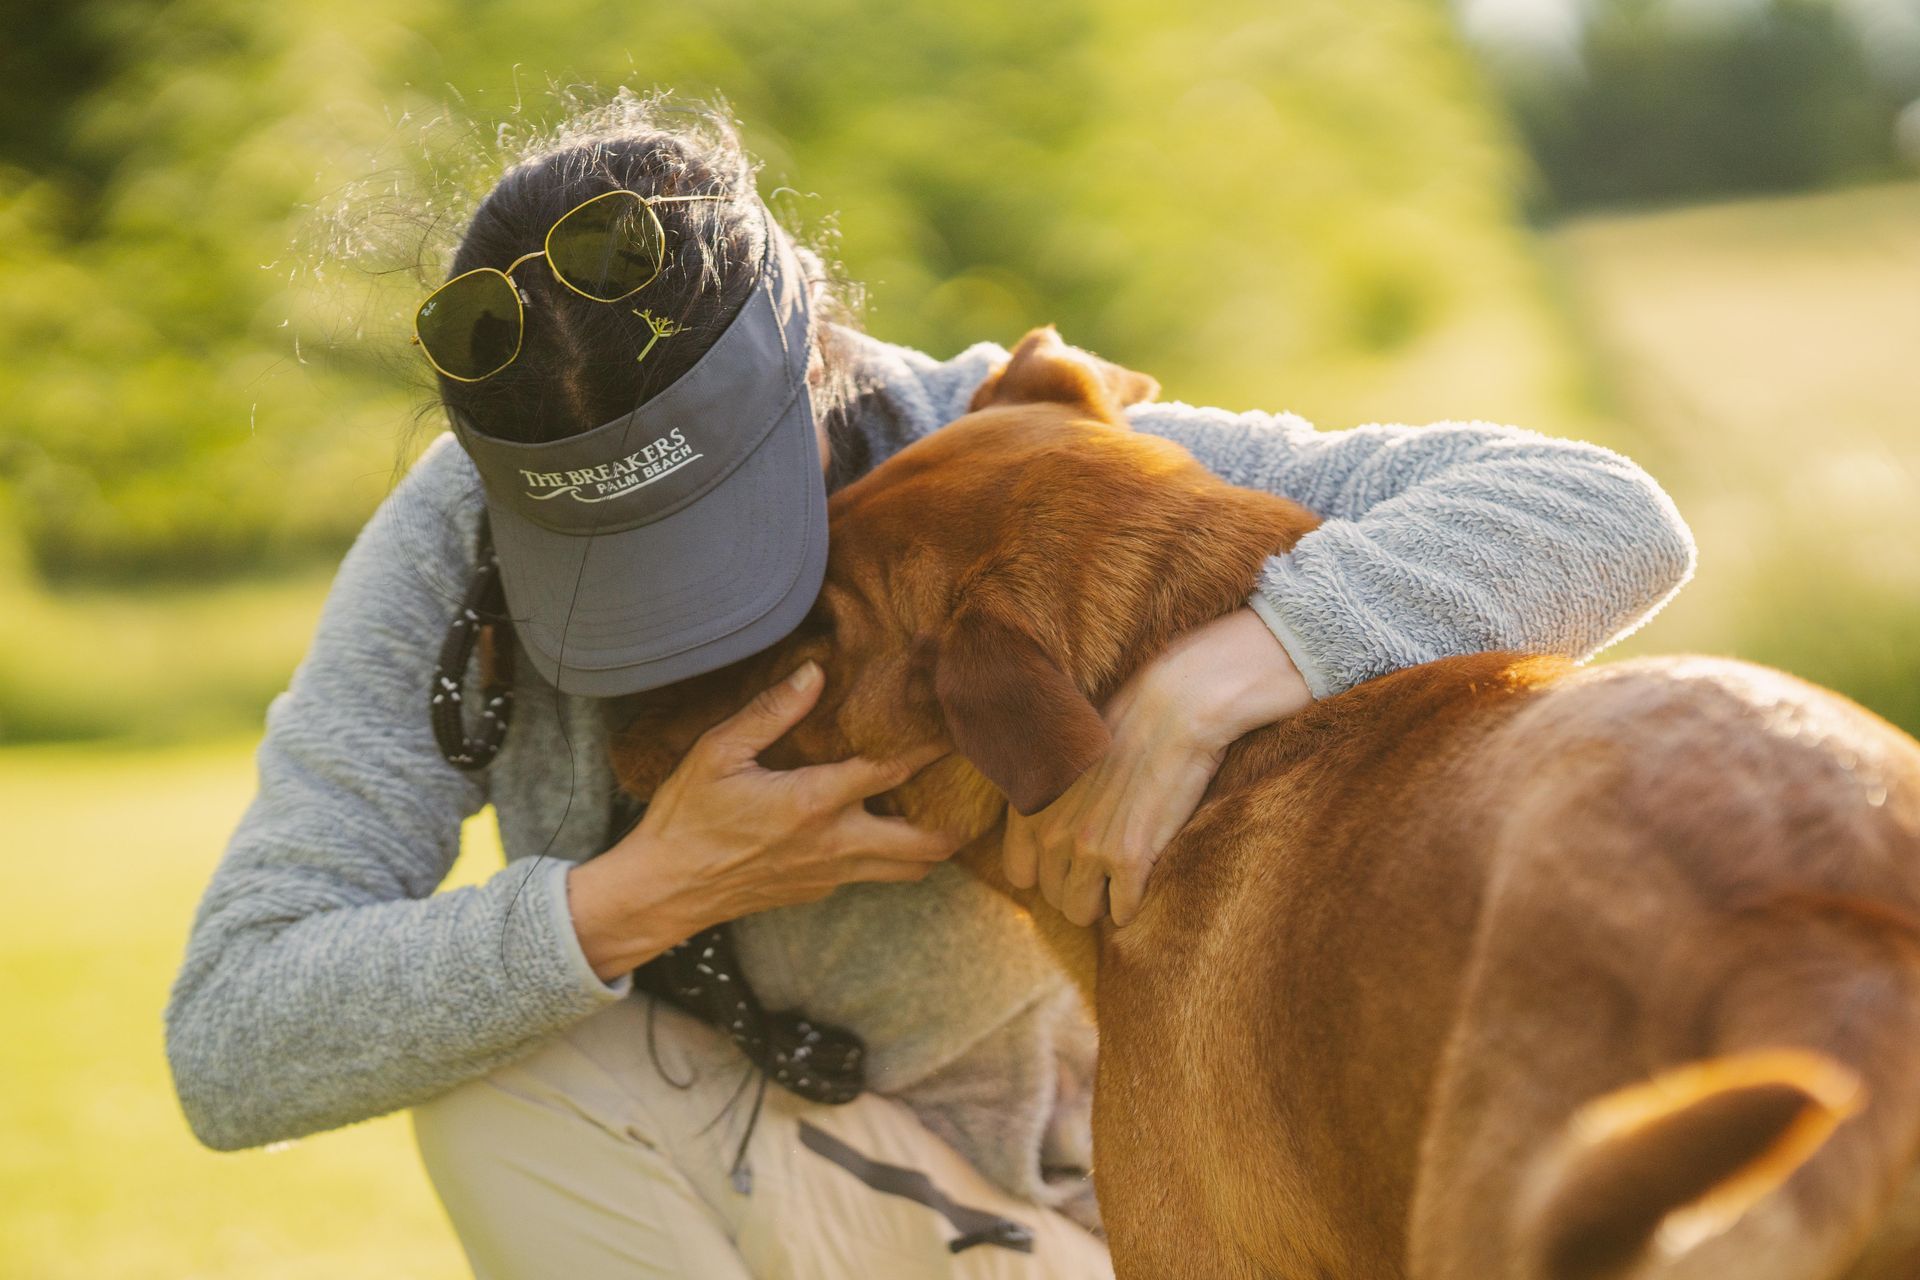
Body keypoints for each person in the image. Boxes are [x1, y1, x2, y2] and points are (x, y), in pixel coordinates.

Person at [165, 98, 1695, 1279]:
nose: (678, 627)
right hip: (757, 1171)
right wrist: (643, 892)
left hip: (1068, 1216)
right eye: (606, 562)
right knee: (516, 1089)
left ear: (815, 367)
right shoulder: (456, 544)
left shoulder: (1014, 464)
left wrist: (1218, 680)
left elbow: (1604, 513)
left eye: (709, 546)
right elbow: (231, 1043)